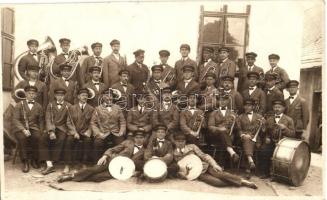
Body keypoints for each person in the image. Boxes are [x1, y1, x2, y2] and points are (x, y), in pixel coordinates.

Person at [56, 130, 146, 183]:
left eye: (141, 137)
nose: (139, 139)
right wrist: (105, 156)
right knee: (94, 169)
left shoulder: (144, 151)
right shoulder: (127, 142)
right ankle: (71, 176)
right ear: (134, 138)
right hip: (112, 160)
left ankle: (76, 176)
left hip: (121, 170)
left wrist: (136, 173)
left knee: (99, 178)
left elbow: (142, 164)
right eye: (137, 137)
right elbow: (112, 149)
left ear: (144, 139)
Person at [173, 133, 257, 189]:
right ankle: (236, 181)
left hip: (205, 166)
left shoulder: (192, 146)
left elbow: (204, 156)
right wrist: (183, 175)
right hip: (197, 173)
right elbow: (178, 167)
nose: (180, 143)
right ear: (175, 142)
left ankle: (243, 181)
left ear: (185, 141)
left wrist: (214, 164)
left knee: (220, 174)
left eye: (182, 141)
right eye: (178, 141)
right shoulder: (173, 152)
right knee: (217, 183)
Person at [258, 99, 295, 177]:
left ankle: (279, 174)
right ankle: (265, 172)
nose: (277, 109)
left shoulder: (289, 120)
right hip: (271, 142)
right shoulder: (269, 119)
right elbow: (265, 133)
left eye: (279, 107)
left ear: (284, 108)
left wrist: (285, 128)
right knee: (263, 150)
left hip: (283, 144)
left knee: (282, 157)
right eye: (275, 107)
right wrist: (266, 135)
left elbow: (292, 134)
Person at [12, 85, 44, 173]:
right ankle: (25, 161)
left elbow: (41, 121)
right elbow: (15, 119)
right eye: (29, 93)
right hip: (20, 128)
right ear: (25, 94)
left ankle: (34, 159)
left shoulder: (39, 106)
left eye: (33, 93)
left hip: (33, 127)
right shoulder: (19, 105)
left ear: (36, 95)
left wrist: (40, 131)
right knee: (23, 138)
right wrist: (23, 130)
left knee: (37, 137)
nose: (31, 95)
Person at [39, 88, 71, 175]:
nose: (60, 97)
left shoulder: (68, 105)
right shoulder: (50, 105)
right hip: (52, 127)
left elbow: (69, 120)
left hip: (63, 128)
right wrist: (51, 131)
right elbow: (48, 118)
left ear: (64, 96)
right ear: (55, 96)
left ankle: (54, 161)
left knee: (61, 139)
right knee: (43, 139)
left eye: (61, 95)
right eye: (58, 95)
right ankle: (49, 164)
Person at [91, 88, 126, 161]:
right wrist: (98, 133)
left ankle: (116, 162)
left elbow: (122, 121)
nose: (109, 98)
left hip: (115, 133)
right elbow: (93, 123)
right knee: (97, 143)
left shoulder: (117, 108)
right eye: (106, 96)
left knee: (121, 144)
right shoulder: (98, 108)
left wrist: (121, 132)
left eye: (110, 96)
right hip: (103, 133)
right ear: (103, 97)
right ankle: (98, 163)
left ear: (113, 97)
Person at [65, 88, 94, 173]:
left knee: (88, 141)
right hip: (74, 132)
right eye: (82, 95)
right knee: (69, 141)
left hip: (85, 132)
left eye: (86, 95)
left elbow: (92, 122)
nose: (85, 97)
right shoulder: (72, 108)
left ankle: (84, 163)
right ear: (78, 97)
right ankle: (67, 164)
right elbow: (68, 122)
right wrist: (74, 132)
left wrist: (89, 131)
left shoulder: (91, 108)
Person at [207, 95, 240, 166]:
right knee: (222, 133)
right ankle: (232, 153)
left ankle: (221, 164)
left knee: (224, 138)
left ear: (228, 101)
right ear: (218, 101)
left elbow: (238, 127)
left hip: (229, 136)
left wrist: (233, 125)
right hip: (216, 136)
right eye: (220, 100)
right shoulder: (213, 113)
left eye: (224, 100)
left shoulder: (233, 113)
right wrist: (219, 129)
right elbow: (210, 126)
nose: (222, 102)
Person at [236, 99, 265, 175]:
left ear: (253, 107)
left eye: (249, 106)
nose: (247, 107)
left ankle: (249, 164)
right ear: (243, 106)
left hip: (256, 138)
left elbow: (263, 131)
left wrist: (263, 125)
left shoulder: (259, 116)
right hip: (244, 138)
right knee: (247, 139)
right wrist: (243, 135)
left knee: (249, 141)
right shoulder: (240, 117)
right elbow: (239, 129)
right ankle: (250, 161)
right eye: (246, 105)